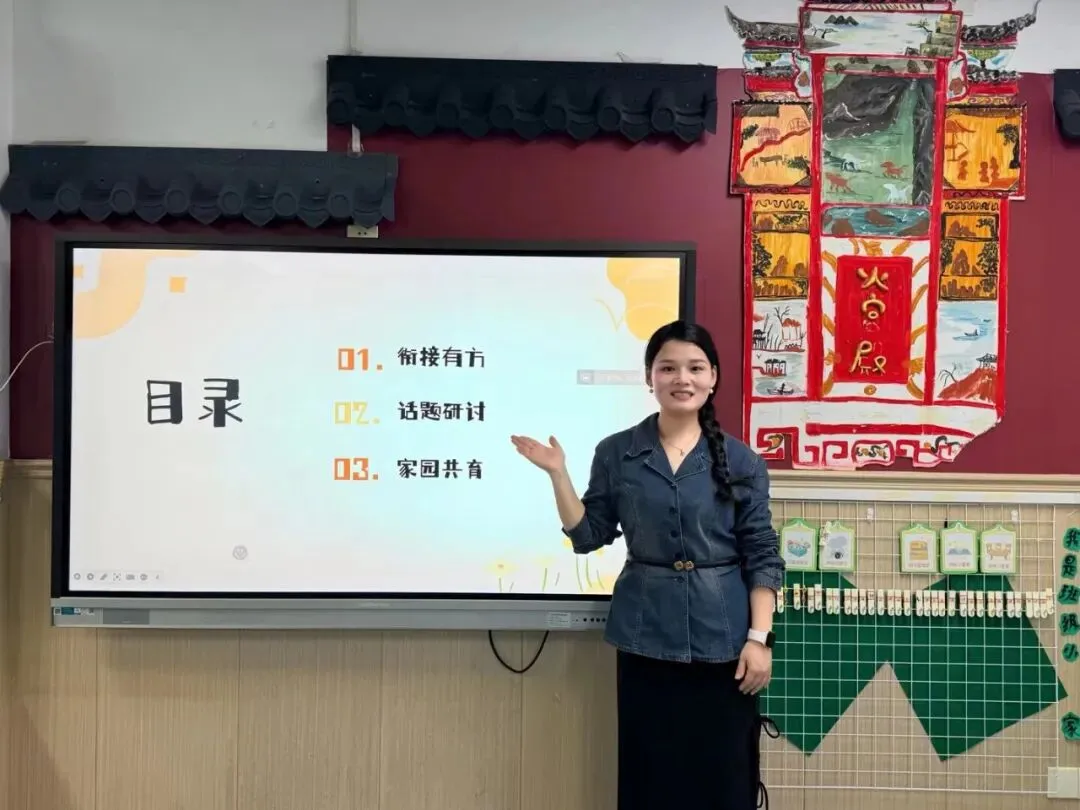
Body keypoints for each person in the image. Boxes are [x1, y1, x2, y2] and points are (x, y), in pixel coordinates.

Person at [511, 320, 785, 810]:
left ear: (713, 376)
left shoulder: (743, 461)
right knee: (649, 776)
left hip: (725, 638)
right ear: (649, 377)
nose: (682, 378)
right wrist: (558, 474)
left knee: (723, 776)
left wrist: (758, 639)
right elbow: (588, 536)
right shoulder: (616, 452)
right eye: (668, 368)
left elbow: (762, 552)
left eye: (695, 368)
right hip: (645, 633)